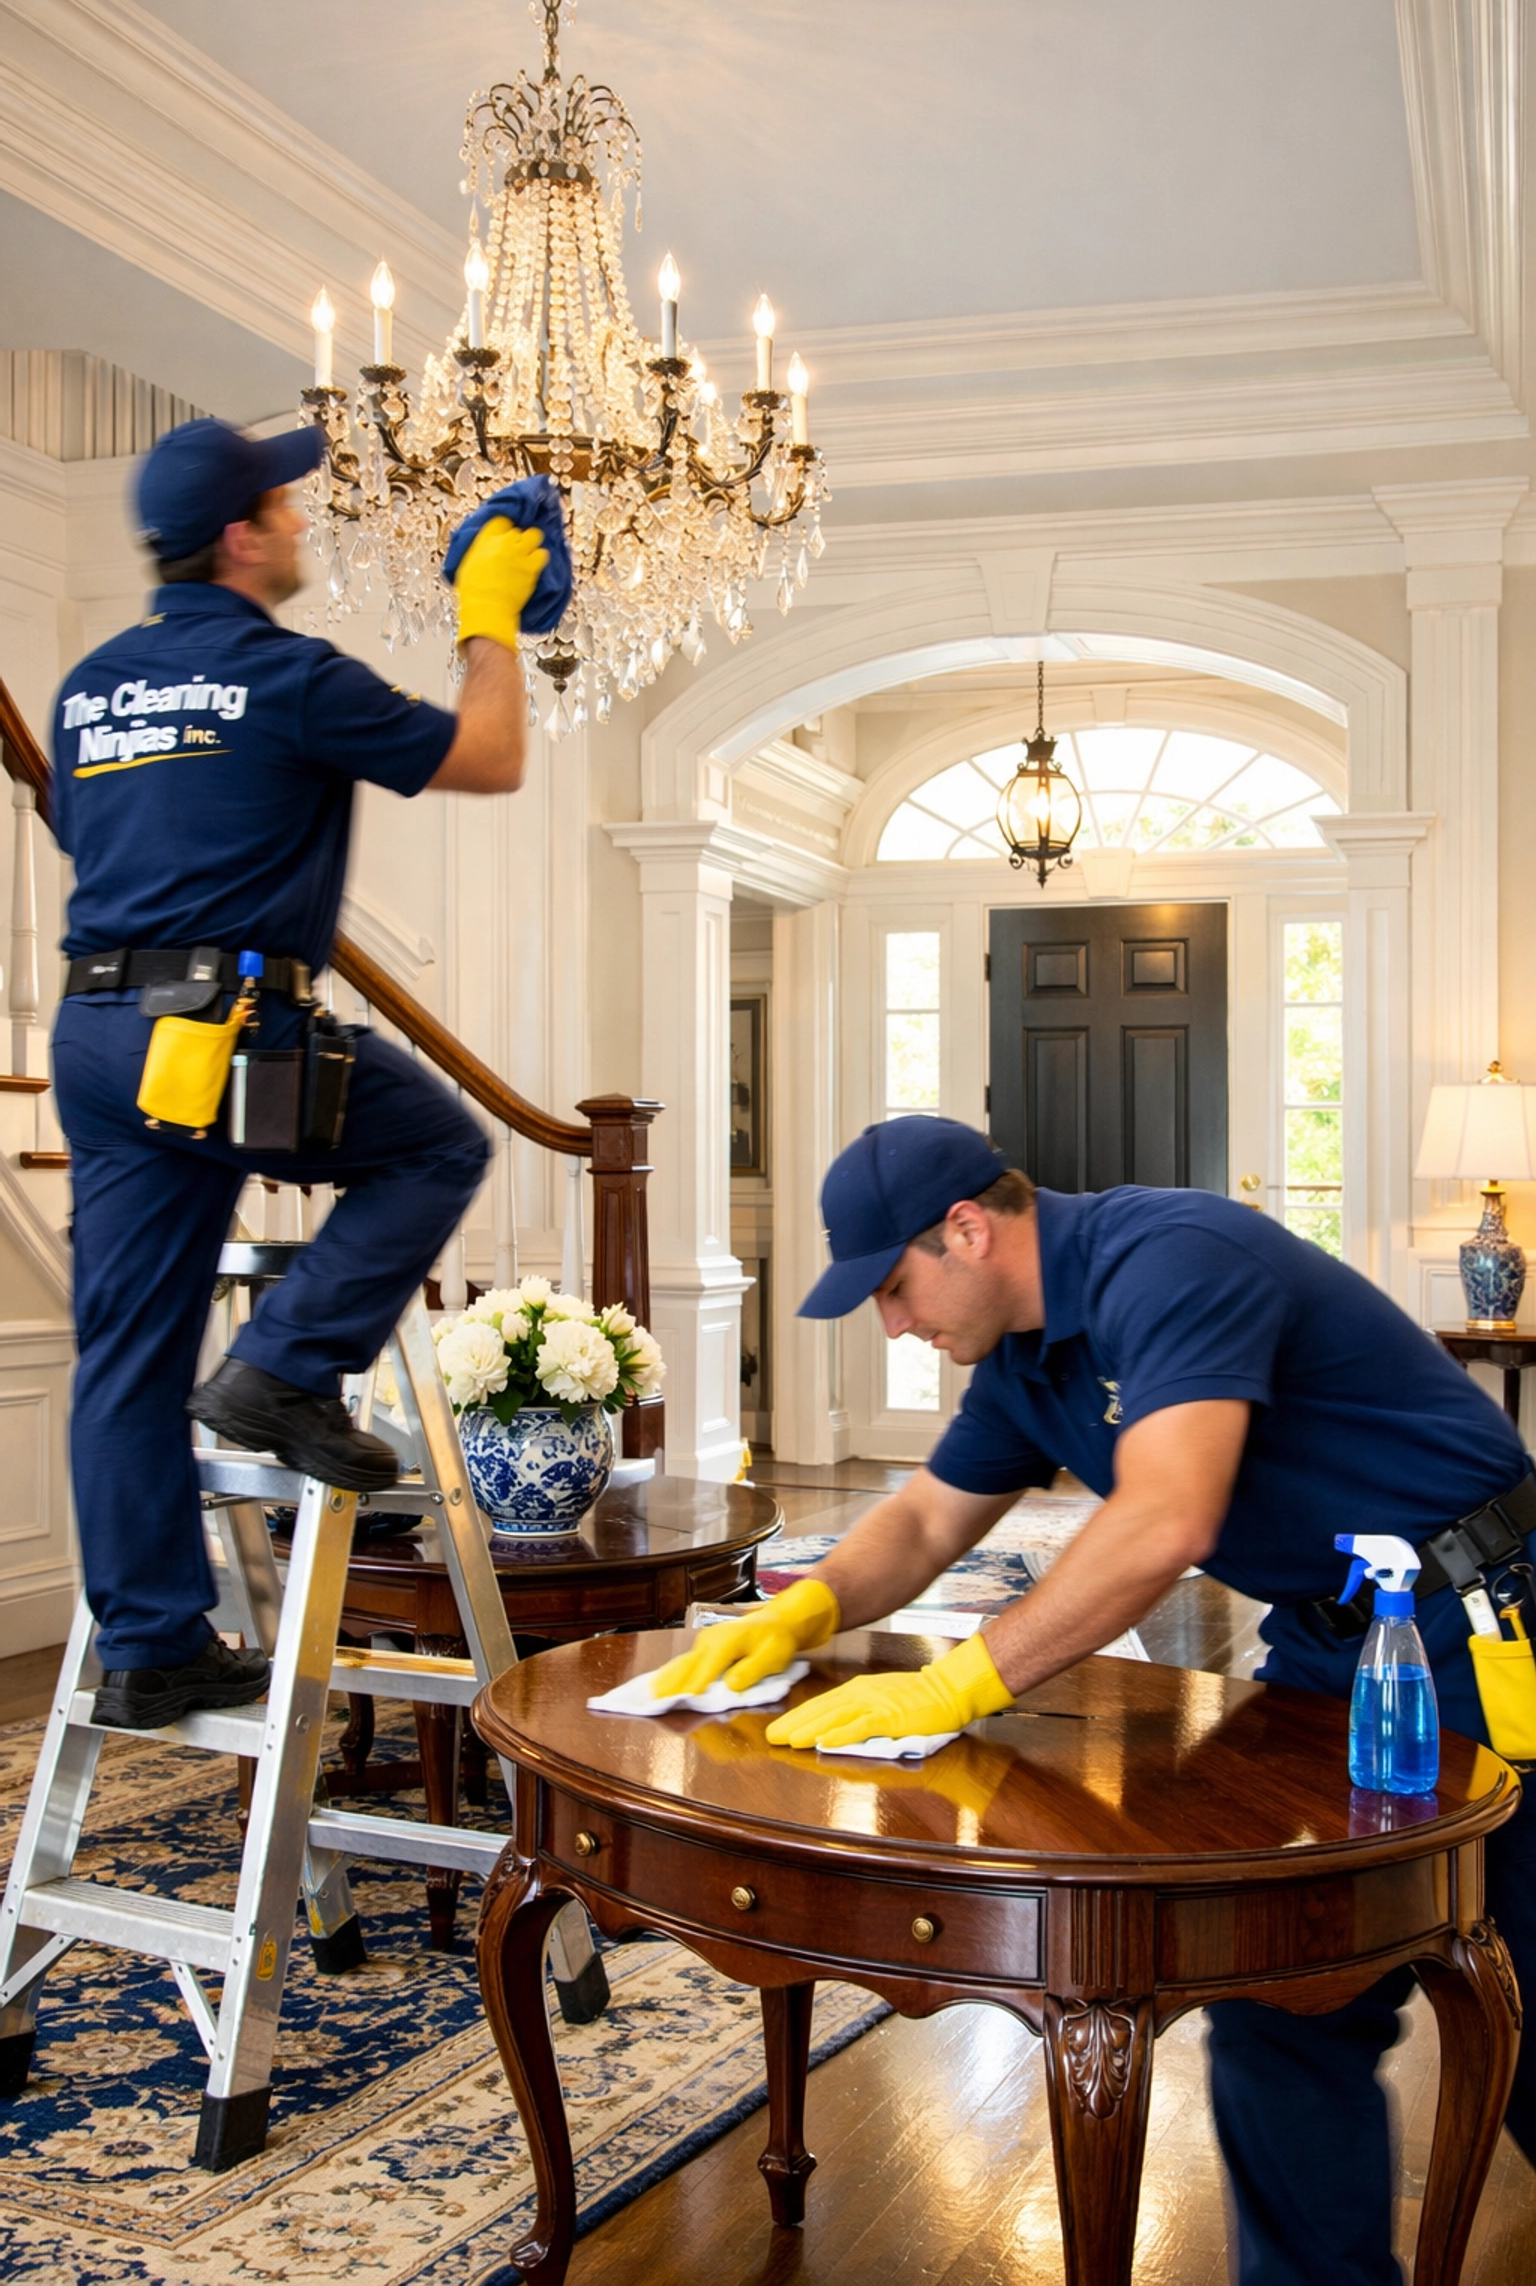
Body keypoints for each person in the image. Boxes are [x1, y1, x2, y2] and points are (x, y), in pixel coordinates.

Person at [654, 1114, 1536, 2286]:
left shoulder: (1172, 1258)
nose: (896, 1322)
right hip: (1341, 1638)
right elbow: (924, 1519)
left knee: (1525, 1972)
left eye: (896, 1288)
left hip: (1485, 1616)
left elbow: (1168, 1517)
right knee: (1284, 1992)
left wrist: (959, 1682)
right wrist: (799, 1611)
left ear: (967, 1229)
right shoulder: (1026, 1357)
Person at [51, 416, 556, 1732]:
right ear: (237, 536)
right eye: (281, 505)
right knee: (438, 1145)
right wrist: (487, 619)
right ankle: (281, 1366)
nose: (297, 522)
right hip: (222, 1034)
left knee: (126, 1356)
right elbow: (490, 757)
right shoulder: (288, 677)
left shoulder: (91, 685)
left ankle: (153, 1647)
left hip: (102, 1037)